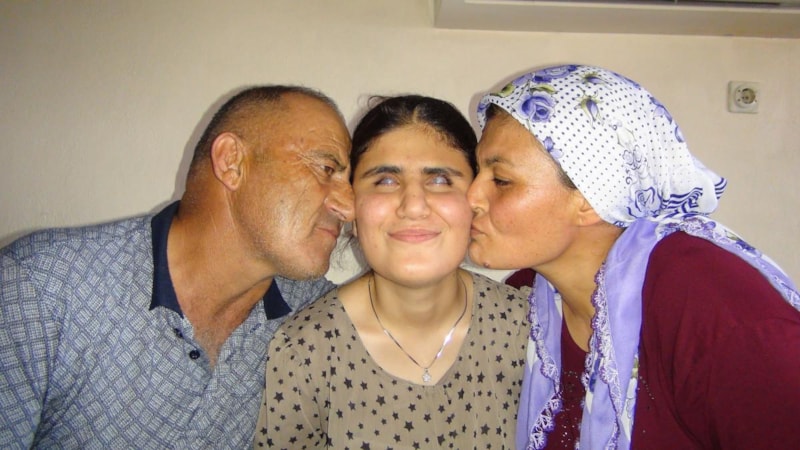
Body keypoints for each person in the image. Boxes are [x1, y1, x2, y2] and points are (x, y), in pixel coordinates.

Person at [0, 85, 354, 448]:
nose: (348, 207)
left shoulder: (313, 314)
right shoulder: (43, 287)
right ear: (232, 162)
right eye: (326, 168)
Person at [467, 64, 800, 450]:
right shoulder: (527, 297)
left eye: (501, 180)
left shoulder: (713, 310)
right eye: (477, 172)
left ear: (592, 196)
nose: (470, 197)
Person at [253, 95, 530, 449]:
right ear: (352, 206)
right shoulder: (306, 352)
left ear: (475, 201)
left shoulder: (527, 330)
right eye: (385, 181)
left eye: (440, 180)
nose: (413, 206)